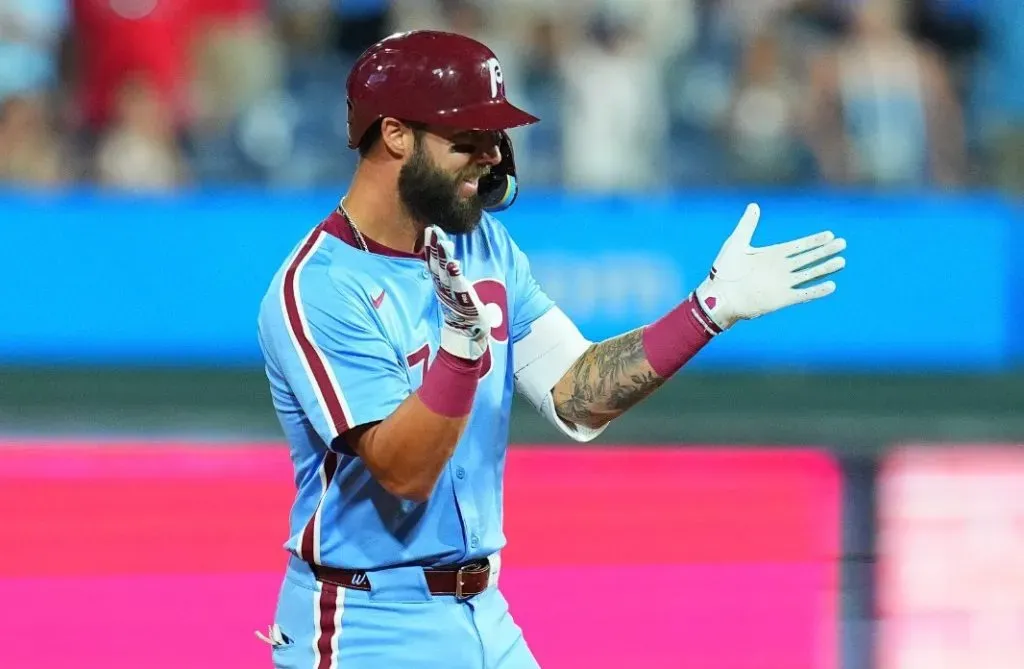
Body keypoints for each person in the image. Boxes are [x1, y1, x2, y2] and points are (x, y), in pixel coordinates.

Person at [255, 29, 846, 669]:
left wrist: (705, 312)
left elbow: (577, 396)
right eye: (467, 140)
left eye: (493, 137)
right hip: (366, 624)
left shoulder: (482, 245)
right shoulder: (320, 286)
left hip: (484, 611)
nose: (490, 157)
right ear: (396, 135)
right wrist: (460, 356)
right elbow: (404, 474)